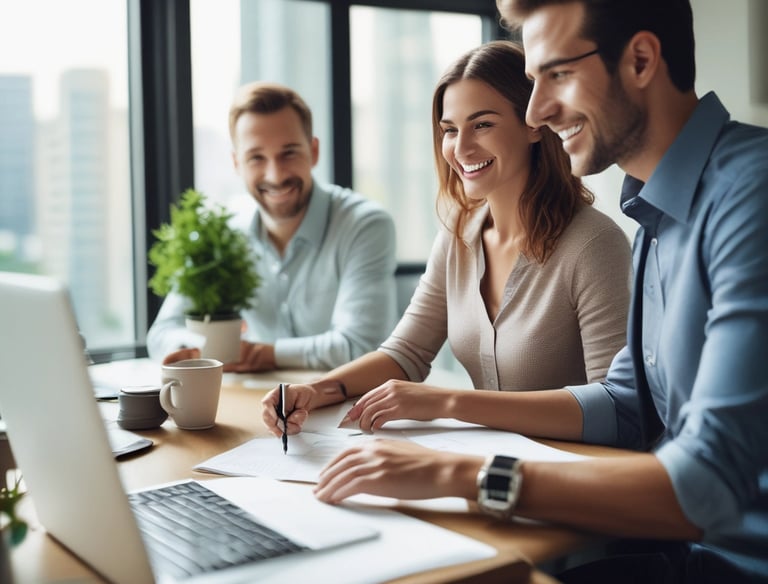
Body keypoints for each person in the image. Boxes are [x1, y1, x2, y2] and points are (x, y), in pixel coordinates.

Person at [310, 1, 768, 582]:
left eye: (558, 74)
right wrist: (443, 412)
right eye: (532, 82)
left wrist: (459, 474)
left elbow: (708, 483)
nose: (537, 111)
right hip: (685, 557)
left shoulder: (749, 195)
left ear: (642, 60)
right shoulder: (655, 213)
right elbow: (626, 405)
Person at [262, 42, 631, 441]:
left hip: (576, 479)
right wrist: (314, 391)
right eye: (450, 130)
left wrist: (446, 402)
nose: (461, 147)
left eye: (483, 124)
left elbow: (612, 408)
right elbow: (406, 353)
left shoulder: (594, 245)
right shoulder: (459, 233)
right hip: (487, 466)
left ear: (533, 124)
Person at [146, 82, 398, 372]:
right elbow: (163, 332)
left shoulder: (364, 226)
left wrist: (261, 354)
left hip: (345, 406)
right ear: (236, 163)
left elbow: (361, 346)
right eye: (256, 158)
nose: (275, 175)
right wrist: (194, 350)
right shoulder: (223, 231)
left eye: (289, 152)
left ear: (313, 151)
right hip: (253, 401)